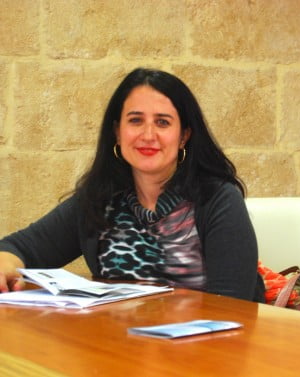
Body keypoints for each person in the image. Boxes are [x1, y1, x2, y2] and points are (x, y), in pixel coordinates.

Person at [0, 68, 265, 302]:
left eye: (162, 122)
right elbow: (20, 248)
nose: (148, 135)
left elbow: (232, 310)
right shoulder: (99, 199)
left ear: (184, 136)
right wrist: (6, 265)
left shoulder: (217, 199)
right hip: (117, 349)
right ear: (117, 131)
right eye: (136, 120)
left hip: (205, 350)